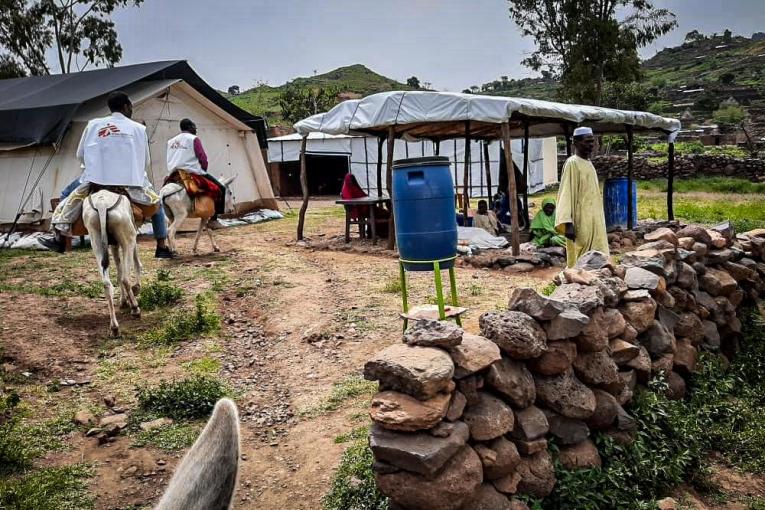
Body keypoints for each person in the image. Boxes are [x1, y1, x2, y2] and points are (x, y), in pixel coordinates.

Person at [40, 91, 174, 258]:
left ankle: (59, 237)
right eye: (130, 107)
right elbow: (145, 161)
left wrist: (98, 167)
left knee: (66, 194)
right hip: (130, 182)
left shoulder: (94, 124)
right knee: (157, 204)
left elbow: (80, 154)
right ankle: (161, 246)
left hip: (95, 179)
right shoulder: (139, 129)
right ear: (126, 106)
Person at [554, 126, 609, 267]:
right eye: (587, 142)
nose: (591, 145)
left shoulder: (589, 164)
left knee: (598, 256)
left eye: (592, 141)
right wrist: (568, 223)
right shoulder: (572, 163)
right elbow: (566, 193)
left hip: (594, 220)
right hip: (580, 222)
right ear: (575, 143)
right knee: (580, 260)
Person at [166, 118, 226, 222]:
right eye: (194, 127)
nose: (196, 130)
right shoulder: (193, 139)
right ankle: (214, 220)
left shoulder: (170, 141)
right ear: (190, 127)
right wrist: (203, 170)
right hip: (191, 172)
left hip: (174, 173)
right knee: (220, 189)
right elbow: (202, 157)